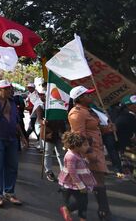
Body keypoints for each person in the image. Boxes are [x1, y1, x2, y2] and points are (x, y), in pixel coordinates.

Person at [68, 86, 113, 220]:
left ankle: (72, 207)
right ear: (80, 98)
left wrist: (108, 129)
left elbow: (95, 129)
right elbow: (80, 137)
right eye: (87, 94)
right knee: (97, 182)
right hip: (89, 152)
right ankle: (104, 212)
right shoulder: (77, 113)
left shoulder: (89, 111)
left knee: (93, 182)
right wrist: (90, 154)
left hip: (97, 150)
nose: (91, 96)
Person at [58, 131, 97, 221]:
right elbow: (73, 173)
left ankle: (82, 218)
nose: (87, 147)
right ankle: (67, 209)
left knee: (84, 201)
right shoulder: (71, 156)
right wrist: (81, 186)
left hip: (79, 182)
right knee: (81, 201)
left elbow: (82, 164)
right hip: (73, 183)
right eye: (85, 145)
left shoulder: (78, 153)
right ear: (76, 145)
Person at [42, 104, 67, 182]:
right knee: (48, 154)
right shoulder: (47, 108)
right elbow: (39, 119)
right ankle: (49, 171)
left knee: (61, 154)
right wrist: (43, 122)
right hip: (50, 134)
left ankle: (64, 172)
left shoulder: (63, 108)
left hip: (60, 134)